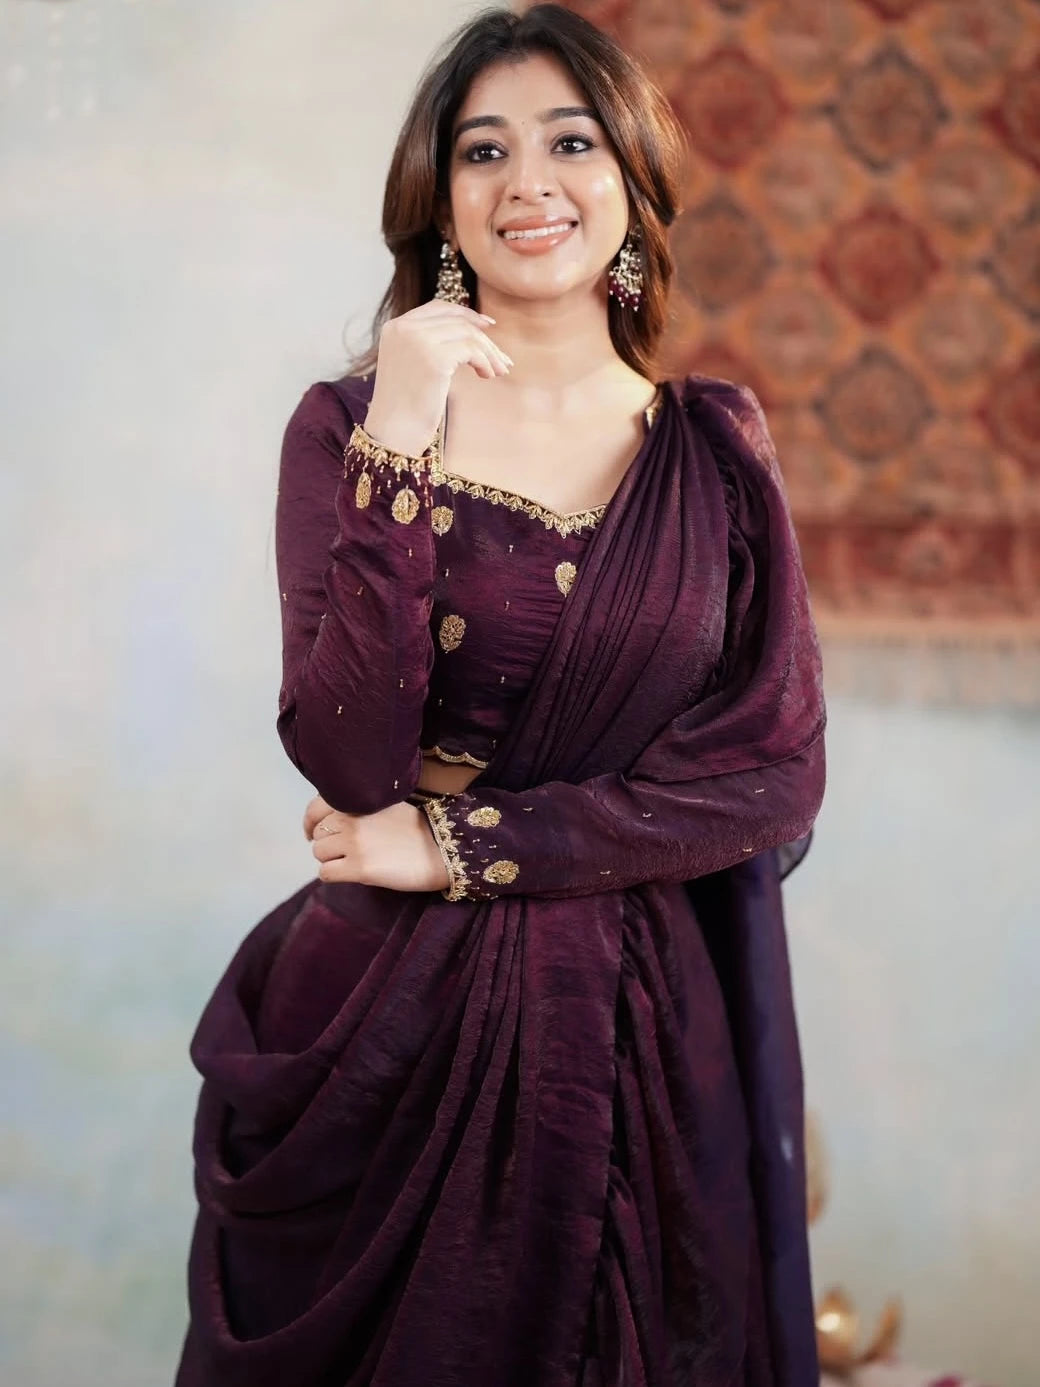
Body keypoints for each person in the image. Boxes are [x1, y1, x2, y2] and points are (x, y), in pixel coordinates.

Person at [175, 5, 827, 1385]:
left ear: (633, 187)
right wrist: (403, 434)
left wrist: (468, 844)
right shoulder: (348, 428)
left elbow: (768, 773)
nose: (529, 182)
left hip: (644, 1033)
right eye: (484, 151)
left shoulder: (712, 457)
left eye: (570, 141)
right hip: (387, 1032)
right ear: (440, 202)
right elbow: (352, 757)